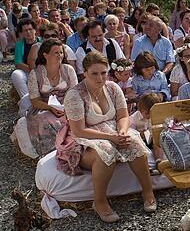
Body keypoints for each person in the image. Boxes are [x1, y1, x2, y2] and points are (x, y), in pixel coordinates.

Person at [56, 51, 157, 222]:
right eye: (94, 73)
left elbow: (123, 116)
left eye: (103, 73)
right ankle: (100, 201)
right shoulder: (75, 94)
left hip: (112, 131)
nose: (100, 78)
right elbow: (79, 130)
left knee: (135, 142)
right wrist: (111, 138)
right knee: (105, 152)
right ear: (85, 72)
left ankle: (148, 191)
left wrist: (123, 131)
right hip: (85, 137)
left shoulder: (112, 87)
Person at [16, 39, 78, 158]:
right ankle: (52, 154)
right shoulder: (36, 73)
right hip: (44, 106)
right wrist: (50, 107)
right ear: (45, 55)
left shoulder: (68, 70)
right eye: (55, 53)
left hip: (67, 105)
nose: (59, 55)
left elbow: (74, 94)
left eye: (61, 52)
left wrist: (65, 108)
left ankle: (70, 150)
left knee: (71, 120)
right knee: (44, 119)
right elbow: (34, 101)